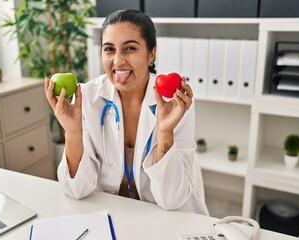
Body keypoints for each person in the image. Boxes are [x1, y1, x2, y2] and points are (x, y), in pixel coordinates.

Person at [44, 9, 208, 215]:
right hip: (111, 216)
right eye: (109, 49)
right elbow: (76, 190)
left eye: (130, 48)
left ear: (151, 54)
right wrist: (72, 132)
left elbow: (172, 200)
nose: (118, 60)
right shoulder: (88, 97)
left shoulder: (176, 102)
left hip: (164, 218)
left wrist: (165, 131)